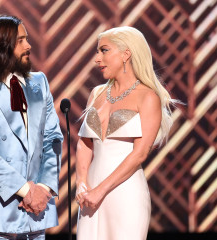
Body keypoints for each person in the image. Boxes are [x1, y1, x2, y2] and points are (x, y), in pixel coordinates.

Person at [0, 15, 63, 240]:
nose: (29, 45)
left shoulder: (39, 83)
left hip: (36, 207)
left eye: (27, 39)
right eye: (20, 41)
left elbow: (53, 139)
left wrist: (44, 188)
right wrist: (26, 191)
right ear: (0, 47)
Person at [75, 26, 175, 240]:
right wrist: (81, 182)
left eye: (104, 50)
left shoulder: (148, 97)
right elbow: (85, 143)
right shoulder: (96, 93)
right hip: (89, 194)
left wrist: (100, 190)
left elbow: (140, 153)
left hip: (124, 193)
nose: (97, 58)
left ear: (126, 54)